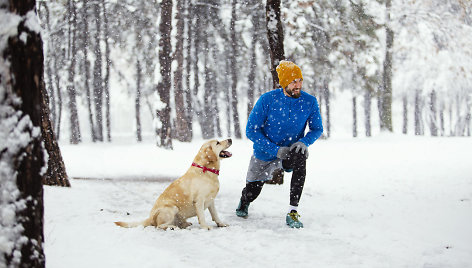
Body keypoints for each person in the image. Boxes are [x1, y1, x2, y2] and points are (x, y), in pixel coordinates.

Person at [235, 60, 323, 228]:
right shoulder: (267, 100)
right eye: (293, 81)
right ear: (284, 83)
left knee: (301, 157)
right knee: (252, 191)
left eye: (300, 80)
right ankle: (244, 200)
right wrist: (275, 150)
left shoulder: (309, 102)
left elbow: (317, 128)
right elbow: (251, 130)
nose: (298, 85)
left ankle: (293, 211)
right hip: (265, 153)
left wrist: (304, 142)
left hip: (291, 151)